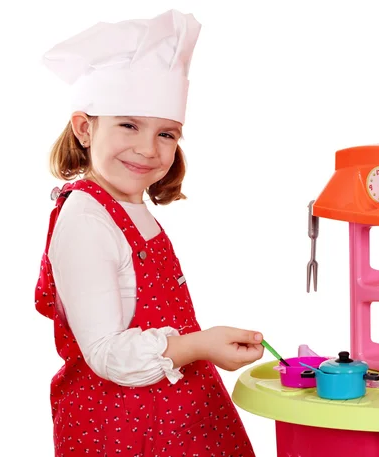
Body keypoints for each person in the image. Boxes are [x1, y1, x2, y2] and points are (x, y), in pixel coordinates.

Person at [34, 9, 264, 456]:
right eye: (128, 124)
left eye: (167, 134)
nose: (147, 148)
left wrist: (204, 346)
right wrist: (202, 344)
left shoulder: (129, 206)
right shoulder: (85, 218)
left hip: (172, 416)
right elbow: (107, 354)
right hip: (123, 428)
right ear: (85, 127)